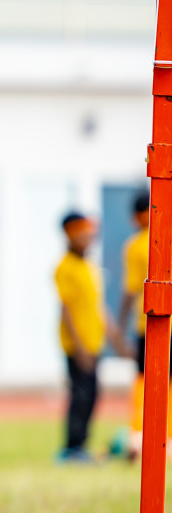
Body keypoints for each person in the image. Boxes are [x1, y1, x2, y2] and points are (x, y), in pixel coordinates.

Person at [56, 212, 125, 463]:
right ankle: (72, 448)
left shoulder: (89, 267)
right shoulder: (65, 267)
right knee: (80, 395)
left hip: (94, 343)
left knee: (92, 393)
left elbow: (98, 306)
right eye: (83, 234)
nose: (89, 239)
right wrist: (79, 346)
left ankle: (82, 446)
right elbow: (66, 310)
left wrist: (116, 338)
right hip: (78, 346)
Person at [118, 191, 152, 462]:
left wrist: (120, 327)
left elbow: (129, 291)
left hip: (148, 323)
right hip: (154, 323)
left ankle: (137, 435)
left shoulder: (136, 245)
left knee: (142, 380)